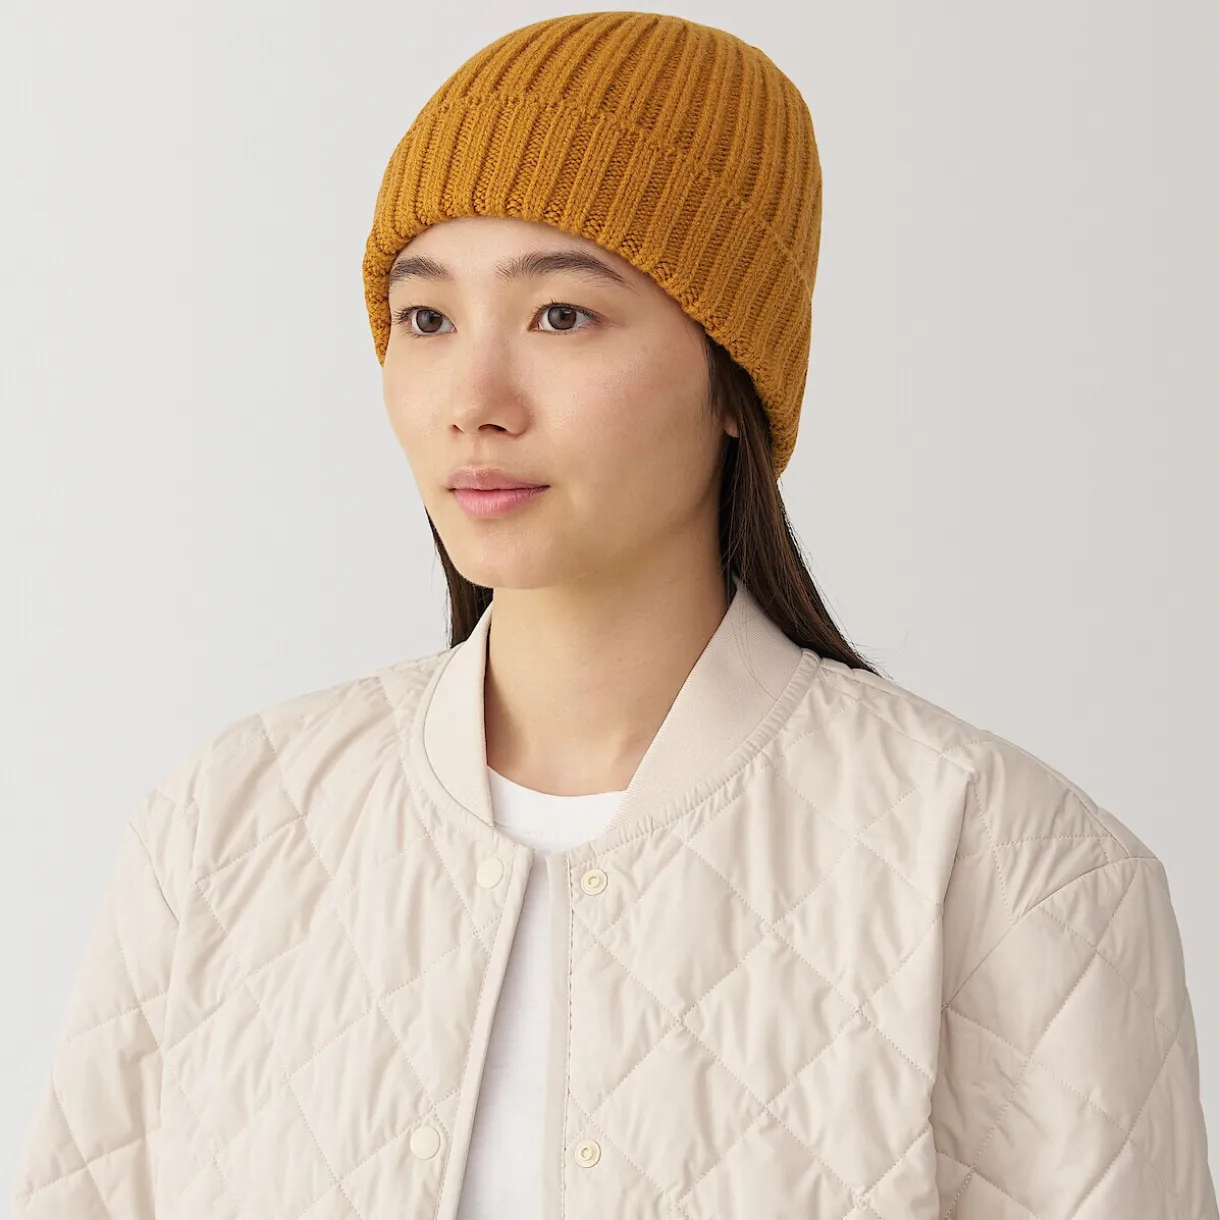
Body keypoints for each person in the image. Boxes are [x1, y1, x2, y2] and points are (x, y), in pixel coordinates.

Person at [10, 11, 1217, 1220]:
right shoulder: (225, 824)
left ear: (733, 379)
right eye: (426, 319)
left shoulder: (1004, 864)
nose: (472, 400)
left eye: (561, 315)